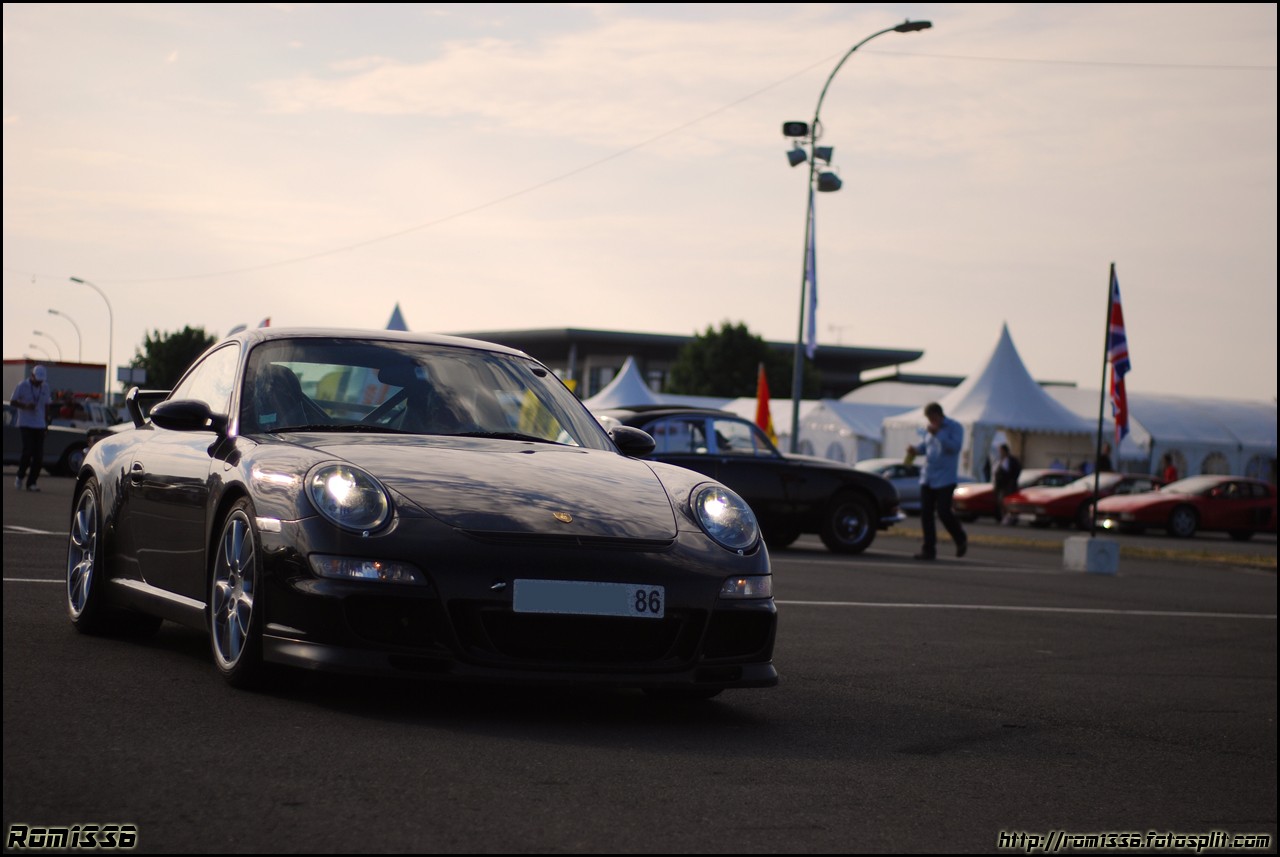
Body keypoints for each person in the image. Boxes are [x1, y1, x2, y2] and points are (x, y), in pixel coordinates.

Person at [906, 402, 968, 560]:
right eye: (929, 419)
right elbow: (926, 447)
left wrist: (938, 433)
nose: (931, 422)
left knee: (943, 512)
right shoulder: (930, 430)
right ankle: (928, 549)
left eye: (933, 418)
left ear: (939, 415)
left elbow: (954, 448)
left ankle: (960, 538)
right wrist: (915, 450)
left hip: (945, 479)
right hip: (928, 477)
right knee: (926, 514)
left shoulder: (954, 427)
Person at [11, 365, 53, 492]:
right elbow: (13, 402)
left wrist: (46, 423)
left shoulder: (45, 387)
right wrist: (24, 406)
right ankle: (20, 475)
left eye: (41, 380)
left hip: (39, 424)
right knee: (27, 451)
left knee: (38, 455)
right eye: (37, 379)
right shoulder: (22, 385)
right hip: (25, 423)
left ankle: (32, 482)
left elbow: (47, 405)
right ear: (32, 375)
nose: (39, 382)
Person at [993, 443, 1022, 525]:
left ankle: (1010, 518)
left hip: (1008, 486)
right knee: (1000, 502)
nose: (1000, 452)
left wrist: (1011, 481)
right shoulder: (999, 460)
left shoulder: (1012, 460)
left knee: (1007, 502)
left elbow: (1015, 471)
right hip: (1000, 486)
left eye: (1001, 451)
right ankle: (1004, 516)